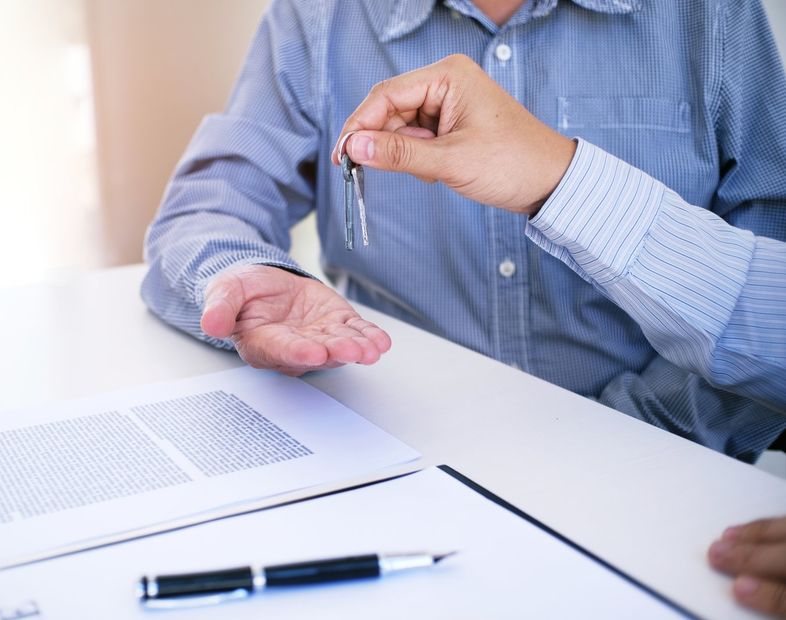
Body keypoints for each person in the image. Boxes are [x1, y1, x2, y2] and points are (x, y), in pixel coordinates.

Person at [141, 0, 786, 611]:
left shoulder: (711, 15)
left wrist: (635, 432)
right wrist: (243, 274)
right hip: (390, 482)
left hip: (662, 491)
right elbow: (213, 200)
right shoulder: (320, 14)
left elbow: (768, 258)